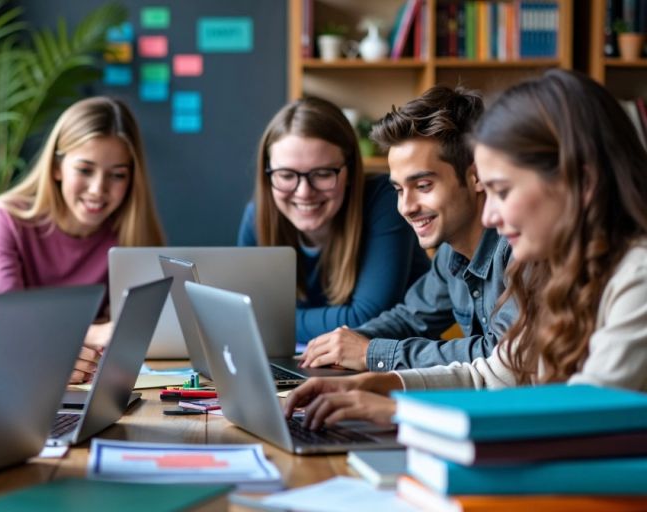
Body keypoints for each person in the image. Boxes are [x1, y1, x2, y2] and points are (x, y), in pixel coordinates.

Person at [284, 69, 647, 430]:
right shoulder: (563, 271)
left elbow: (585, 420)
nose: (489, 214)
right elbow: (492, 376)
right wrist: (382, 383)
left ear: (580, 183)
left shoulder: (637, 276)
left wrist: (398, 409)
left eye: (502, 191)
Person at [299, 86, 516, 372]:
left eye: (423, 186)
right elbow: (409, 319)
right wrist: (347, 343)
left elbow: (502, 354)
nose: (406, 207)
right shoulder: (449, 254)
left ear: (477, 176)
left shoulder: (520, 245)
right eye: (399, 190)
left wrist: (370, 353)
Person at [0, 96, 165, 383]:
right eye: (85, 170)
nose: (98, 189)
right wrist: (95, 332)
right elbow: (5, 324)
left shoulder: (131, 229)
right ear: (56, 167)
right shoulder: (8, 219)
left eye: (117, 175)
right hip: (21, 381)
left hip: (90, 380)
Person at [238, 97, 429, 345]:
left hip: (396, 369)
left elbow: (365, 319)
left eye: (323, 174)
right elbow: (243, 316)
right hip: (309, 364)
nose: (304, 192)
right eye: (286, 175)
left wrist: (268, 321)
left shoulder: (385, 200)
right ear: (268, 174)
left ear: (349, 171)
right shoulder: (258, 216)